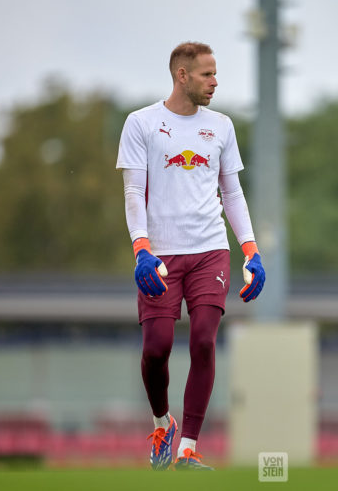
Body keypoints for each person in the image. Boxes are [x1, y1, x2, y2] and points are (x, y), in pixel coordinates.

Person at [116, 41, 265, 471]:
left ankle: (189, 450)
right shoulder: (141, 123)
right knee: (157, 349)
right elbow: (132, 192)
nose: (215, 82)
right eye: (206, 74)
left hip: (209, 251)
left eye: (215, 74)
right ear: (182, 75)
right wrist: (141, 247)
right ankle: (164, 423)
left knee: (203, 340)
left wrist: (251, 251)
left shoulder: (221, 127)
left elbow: (232, 193)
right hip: (159, 253)